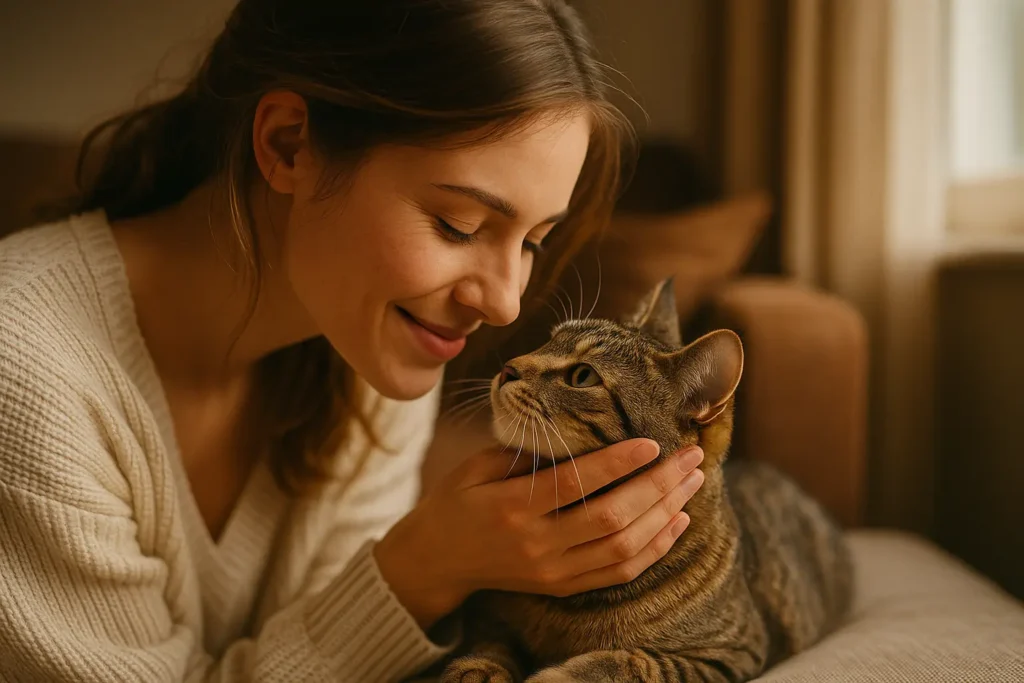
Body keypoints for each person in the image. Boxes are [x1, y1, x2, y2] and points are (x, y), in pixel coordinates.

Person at [0, 1, 706, 680]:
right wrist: (421, 568)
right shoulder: (26, 369)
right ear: (287, 145)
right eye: (458, 224)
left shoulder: (375, 352)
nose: (503, 302)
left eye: (533, 242)